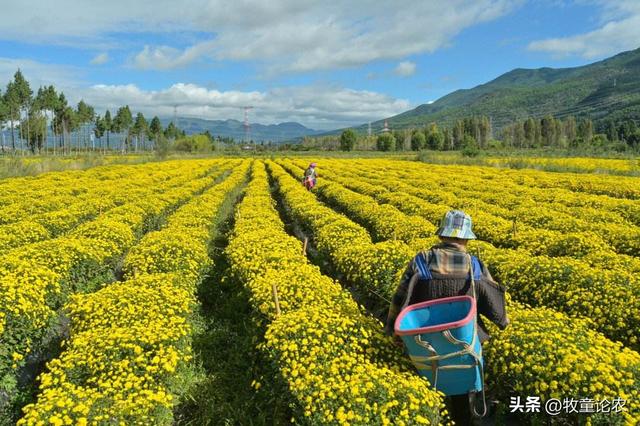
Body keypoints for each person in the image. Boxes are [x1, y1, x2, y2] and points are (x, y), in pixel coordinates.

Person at [385, 210, 509, 425]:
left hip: (424, 341)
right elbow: (494, 305)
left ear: (442, 235)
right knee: (460, 391)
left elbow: (400, 298)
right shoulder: (474, 265)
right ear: (466, 238)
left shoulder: (421, 260)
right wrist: (502, 320)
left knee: (426, 385)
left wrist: (392, 331)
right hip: (462, 343)